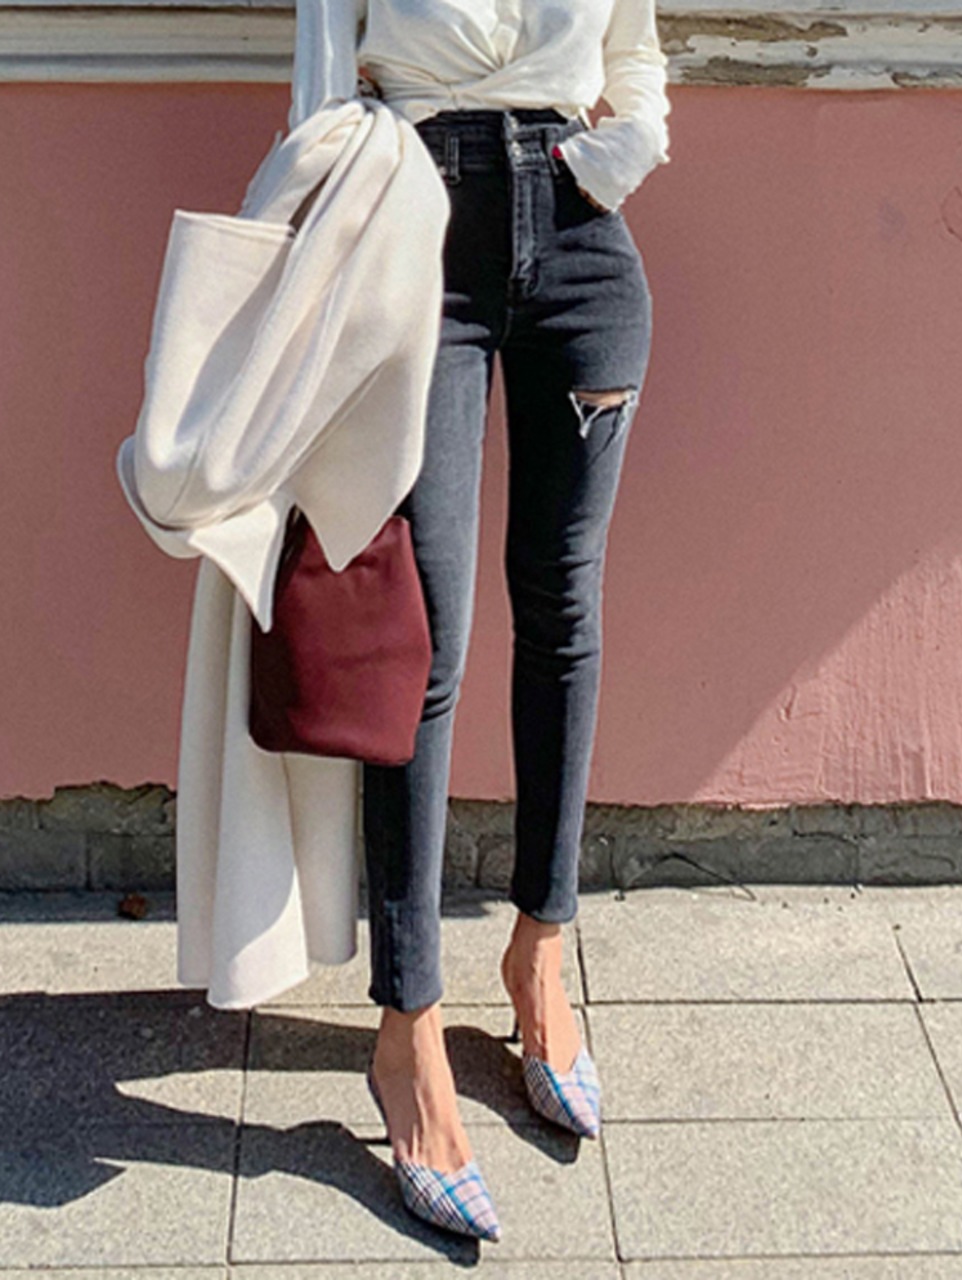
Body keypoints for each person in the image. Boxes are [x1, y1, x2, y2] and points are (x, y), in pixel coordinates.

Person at [290, 0, 672, 1243]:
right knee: (423, 645)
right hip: (418, 243)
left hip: (582, 249)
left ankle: (539, 953)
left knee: (561, 609)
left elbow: (634, 58)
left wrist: (611, 156)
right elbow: (318, 98)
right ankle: (405, 1029)